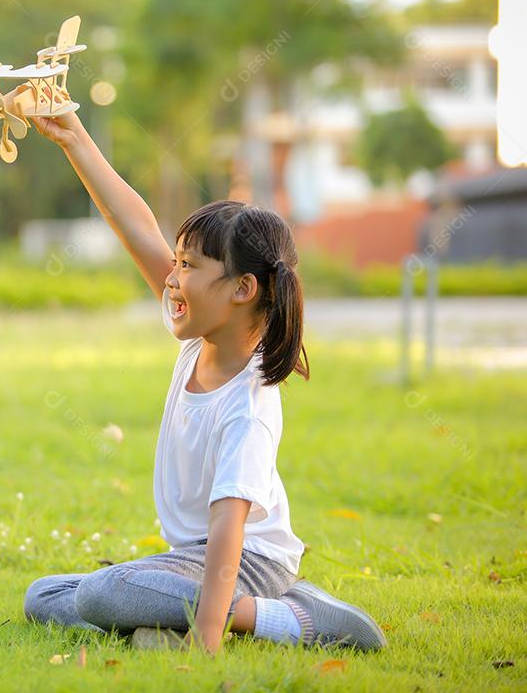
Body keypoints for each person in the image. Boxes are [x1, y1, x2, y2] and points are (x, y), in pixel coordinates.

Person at [22, 112, 385, 654]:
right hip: (192, 560)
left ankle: (295, 618)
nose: (171, 275)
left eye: (188, 264)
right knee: (44, 596)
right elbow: (136, 226)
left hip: (249, 564)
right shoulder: (201, 339)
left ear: (241, 289)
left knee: (102, 593)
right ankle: (156, 624)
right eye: (176, 259)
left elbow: (228, 533)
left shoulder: (249, 405)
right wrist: (74, 137)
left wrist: (208, 637)